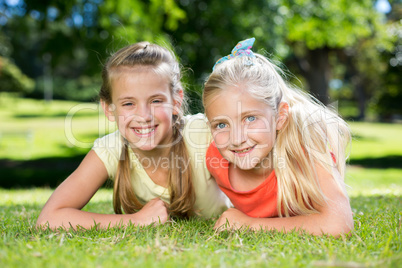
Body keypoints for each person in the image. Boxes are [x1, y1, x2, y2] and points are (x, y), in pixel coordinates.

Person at [37, 41, 229, 229]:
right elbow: (49, 218)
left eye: (155, 101)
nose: (144, 116)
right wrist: (136, 221)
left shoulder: (203, 134)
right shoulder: (111, 149)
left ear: (176, 100)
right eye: (129, 104)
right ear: (109, 109)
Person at [203, 38, 353, 236]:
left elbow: (339, 224)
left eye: (250, 118)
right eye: (221, 124)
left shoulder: (304, 147)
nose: (237, 139)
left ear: (280, 116)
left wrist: (248, 224)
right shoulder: (216, 160)